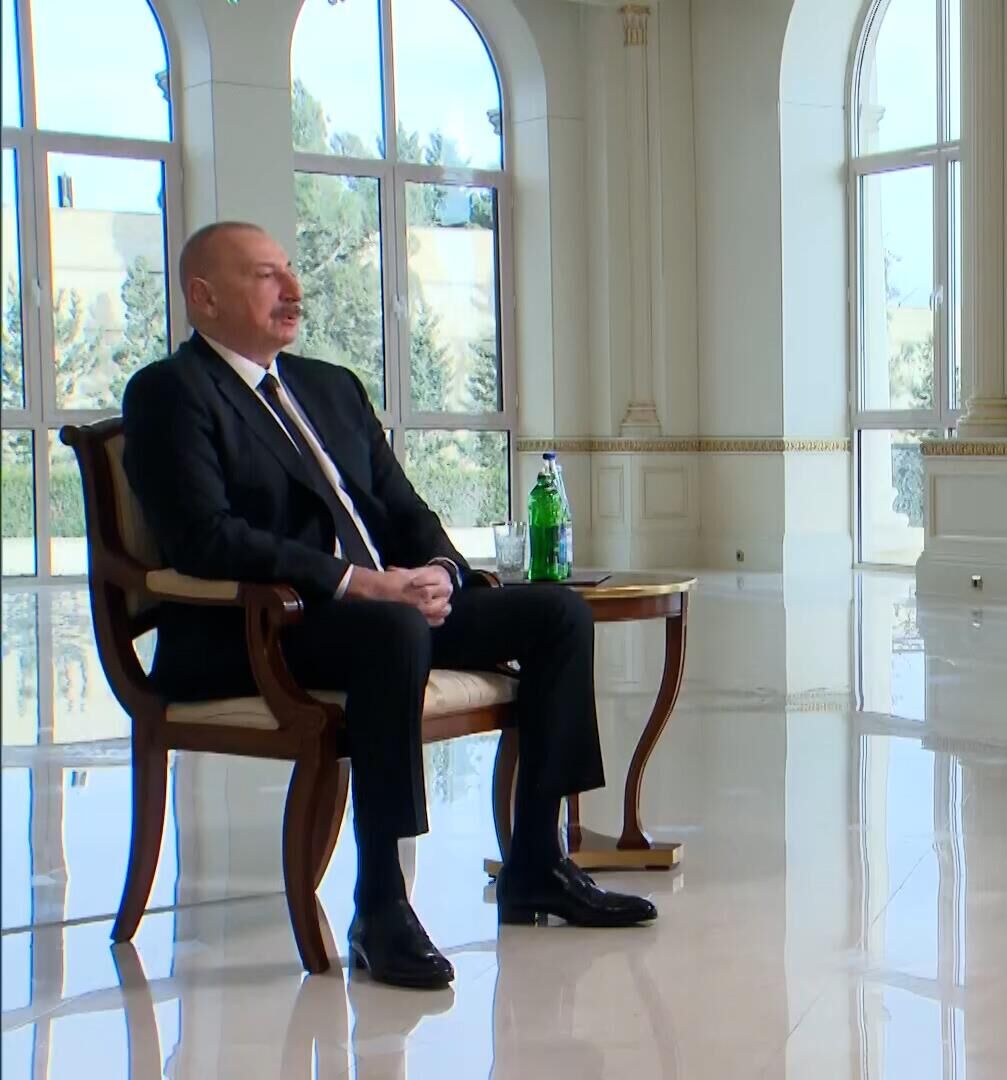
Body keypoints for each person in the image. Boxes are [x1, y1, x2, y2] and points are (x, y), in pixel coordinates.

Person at [122, 221, 655, 990]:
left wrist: (438, 569)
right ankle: (380, 905)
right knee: (392, 630)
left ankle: (537, 864)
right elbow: (206, 538)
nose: (293, 289)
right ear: (203, 298)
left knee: (556, 615)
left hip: (380, 615)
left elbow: (403, 507)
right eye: (266, 276)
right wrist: (357, 583)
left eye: (290, 271)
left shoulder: (329, 387)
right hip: (252, 632)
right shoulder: (170, 393)